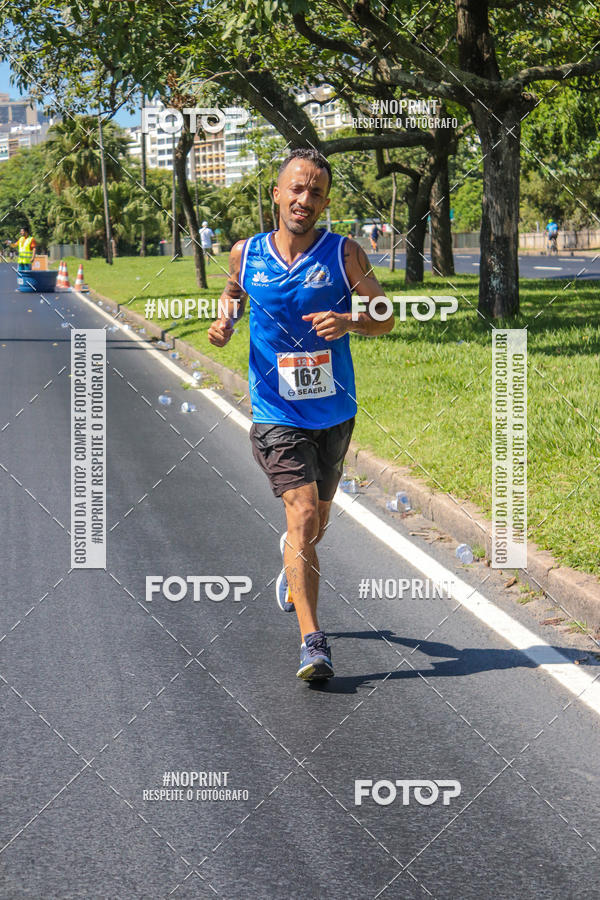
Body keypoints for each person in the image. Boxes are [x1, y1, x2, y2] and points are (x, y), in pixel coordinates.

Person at [208, 148, 394, 682]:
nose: (303, 199)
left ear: (325, 201)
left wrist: (350, 321)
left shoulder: (345, 253)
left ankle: (292, 556)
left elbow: (385, 317)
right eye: (295, 189)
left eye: (315, 192)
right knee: (304, 515)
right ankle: (314, 643)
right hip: (275, 412)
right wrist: (224, 323)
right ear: (277, 194)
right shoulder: (247, 253)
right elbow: (232, 296)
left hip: (333, 411)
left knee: (317, 525)